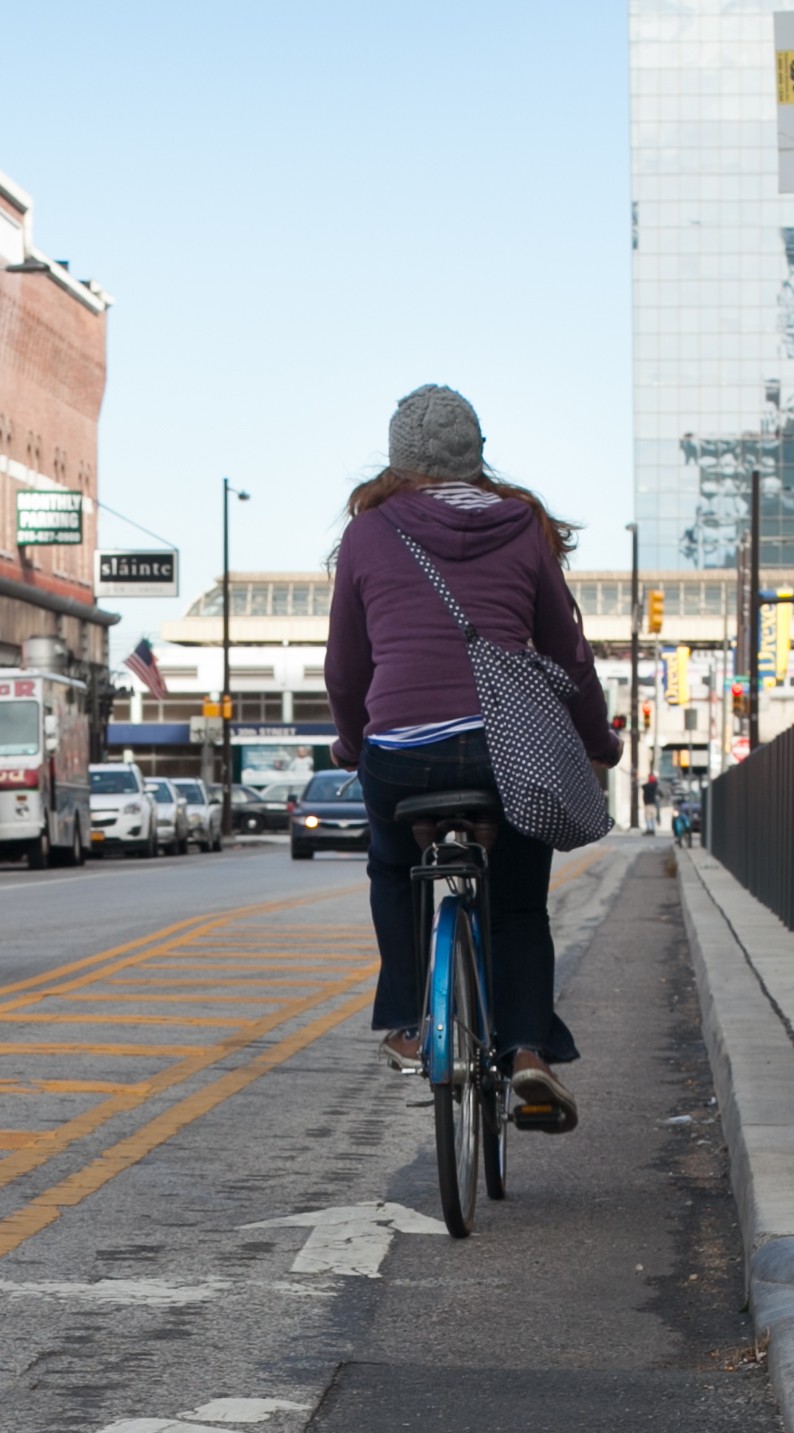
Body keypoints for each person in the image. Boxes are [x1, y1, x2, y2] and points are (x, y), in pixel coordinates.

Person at [324, 385, 623, 1134]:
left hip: (401, 755)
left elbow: (345, 666)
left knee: (393, 870)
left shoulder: (368, 532)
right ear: (476, 457)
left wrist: (357, 744)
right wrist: (599, 742)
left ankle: (402, 1017)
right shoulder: (522, 526)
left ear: (399, 461)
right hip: (505, 751)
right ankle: (527, 1053)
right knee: (518, 905)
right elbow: (569, 657)